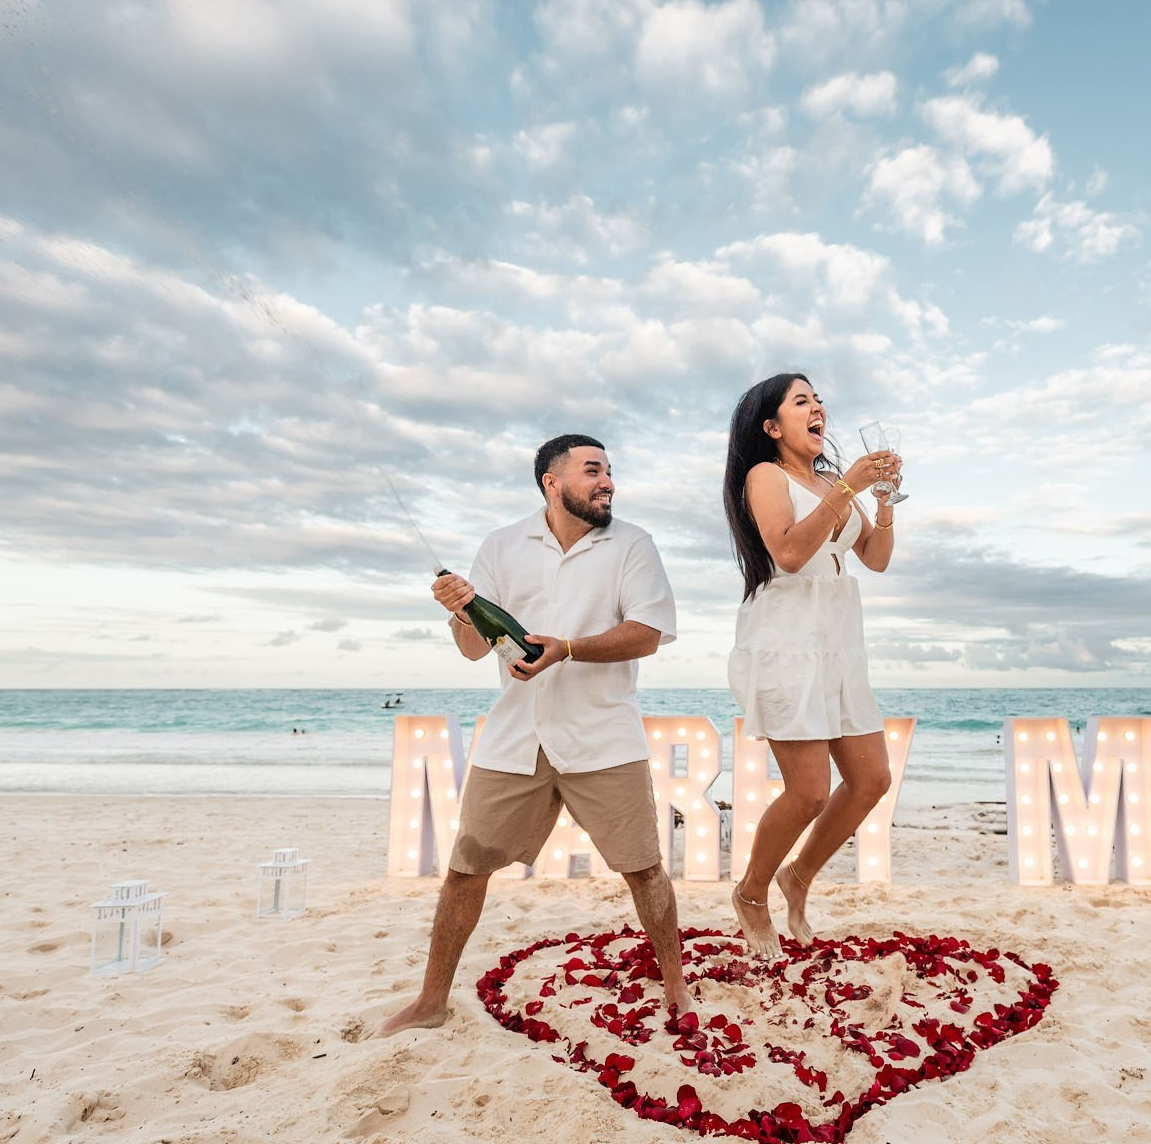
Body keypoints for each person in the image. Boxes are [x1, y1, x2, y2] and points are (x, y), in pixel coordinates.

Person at [379, 434, 695, 1036]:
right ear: (551, 482)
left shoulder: (632, 544)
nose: (607, 481)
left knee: (645, 870)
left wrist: (567, 648)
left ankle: (675, 986)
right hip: (516, 735)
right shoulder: (501, 545)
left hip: (604, 736)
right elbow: (475, 649)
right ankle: (431, 1001)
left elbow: (649, 633)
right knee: (465, 870)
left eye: (609, 471)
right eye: (592, 470)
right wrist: (459, 610)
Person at [721, 374, 901, 959]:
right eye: (802, 401)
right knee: (808, 793)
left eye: (819, 399)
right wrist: (847, 487)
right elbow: (792, 554)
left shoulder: (827, 482)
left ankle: (796, 877)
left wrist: (881, 502)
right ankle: (751, 892)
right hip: (787, 640)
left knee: (872, 779)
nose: (818, 406)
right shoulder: (765, 476)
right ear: (772, 427)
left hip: (840, 642)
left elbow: (874, 559)